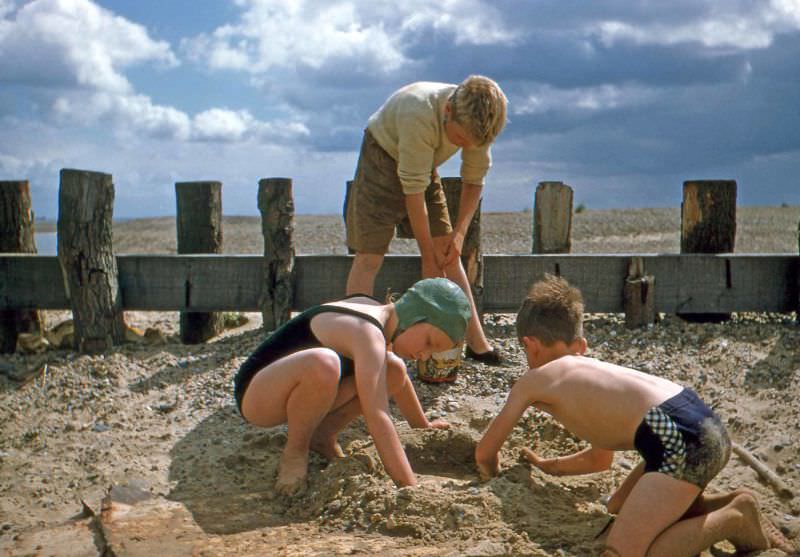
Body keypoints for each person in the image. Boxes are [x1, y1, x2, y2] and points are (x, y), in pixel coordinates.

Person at [475, 275, 798, 556]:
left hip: (678, 440)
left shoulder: (535, 379)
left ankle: (735, 518)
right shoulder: (592, 375)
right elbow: (600, 459)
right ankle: (725, 505)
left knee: (626, 552)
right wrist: (550, 466)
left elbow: (485, 453)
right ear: (580, 345)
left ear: (530, 345)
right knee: (618, 505)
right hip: (696, 422)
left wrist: (490, 476)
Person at [234, 277, 471, 495]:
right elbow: (378, 416)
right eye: (429, 342)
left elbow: (400, 380)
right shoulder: (368, 333)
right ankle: (295, 451)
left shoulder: (380, 315)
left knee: (393, 370)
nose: (424, 355)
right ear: (415, 316)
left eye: (432, 352)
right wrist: (410, 488)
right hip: (257, 397)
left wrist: (422, 426)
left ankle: (322, 435)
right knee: (323, 364)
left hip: (296, 389)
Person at [344, 75, 507, 365]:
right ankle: (355, 347)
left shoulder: (479, 125)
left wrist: (458, 236)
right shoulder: (417, 112)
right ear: (447, 111)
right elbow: (413, 191)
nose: (464, 145)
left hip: (423, 160)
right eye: (460, 139)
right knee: (369, 255)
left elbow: (474, 181)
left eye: (470, 143)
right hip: (381, 154)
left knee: (448, 254)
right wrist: (427, 257)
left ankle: (477, 344)